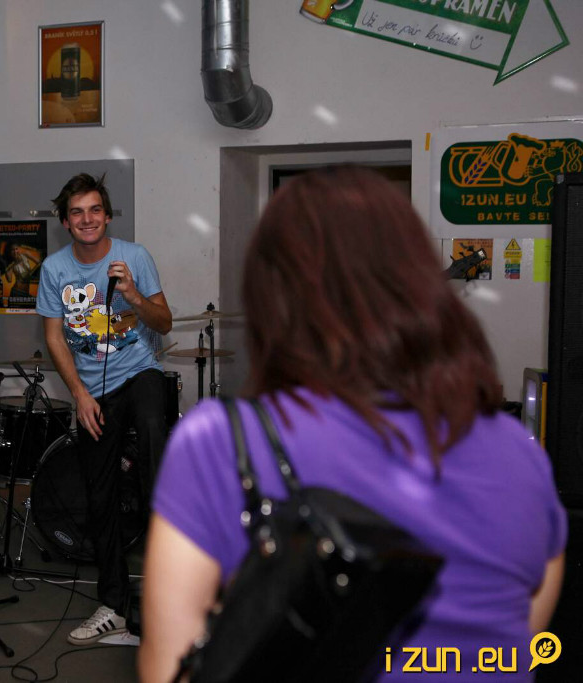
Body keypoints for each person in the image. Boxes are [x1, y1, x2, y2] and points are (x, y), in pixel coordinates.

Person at [139, 166, 567, 682]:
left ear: (272, 296)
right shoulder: (520, 452)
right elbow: (522, 641)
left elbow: (169, 670)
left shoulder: (221, 443)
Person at [37, 173, 172, 645]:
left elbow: (164, 321)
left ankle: (169, 588)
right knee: (100, 498)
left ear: (107, 216)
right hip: (94, 391)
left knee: (153, 431)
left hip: (139, 373)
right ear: (65, 221)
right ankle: (114, 604)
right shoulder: (54, 269)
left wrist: (133, 294)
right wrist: (78, 393)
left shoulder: (135, 257)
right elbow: (54, 336)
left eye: (95, 209)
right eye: (77, 212)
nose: (87, 219)